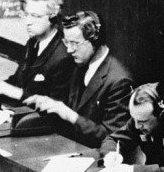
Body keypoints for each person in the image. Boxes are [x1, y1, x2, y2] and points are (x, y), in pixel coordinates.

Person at [24, 10, 132, 147]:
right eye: (66, 42)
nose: (69, 50)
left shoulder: (119, 81)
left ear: (95, 40)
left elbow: (111, 138)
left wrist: (68, 114)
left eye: (75, 43)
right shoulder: (78, 65)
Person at [0, 0, 74, 104]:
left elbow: (57, 104)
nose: (28, 22)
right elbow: (19, 81)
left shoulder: (63, 56)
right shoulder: (32, 43)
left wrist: (17, 93)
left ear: (53, 17)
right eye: (26, 15)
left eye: (35, 16)